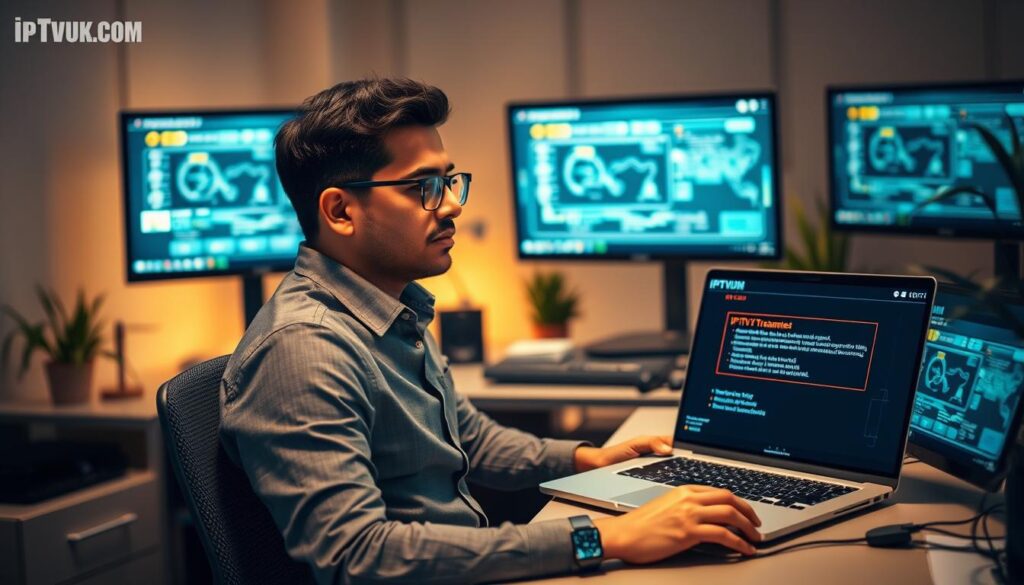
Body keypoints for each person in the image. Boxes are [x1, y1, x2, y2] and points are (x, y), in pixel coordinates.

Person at [219, 78, 761, 585]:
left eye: (449, 181)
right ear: (340, 211)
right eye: (424, 187)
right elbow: (358, 555)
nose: (452, 204)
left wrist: (584, 458)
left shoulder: (390, 305)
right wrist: (606, 537)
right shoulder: (304, 349)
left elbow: (466, 437)